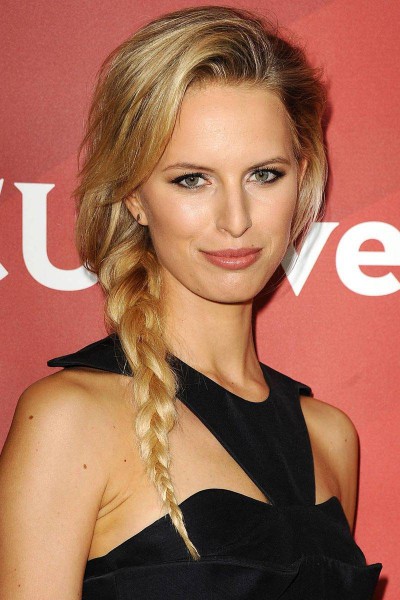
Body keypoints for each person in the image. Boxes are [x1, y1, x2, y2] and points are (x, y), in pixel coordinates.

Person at [0, 5, 382, 599]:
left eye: (264, 174)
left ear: (301, 177)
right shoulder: (69, 420)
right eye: (191, 179)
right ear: (134, 195)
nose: (236, 220)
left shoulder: (330, 438)